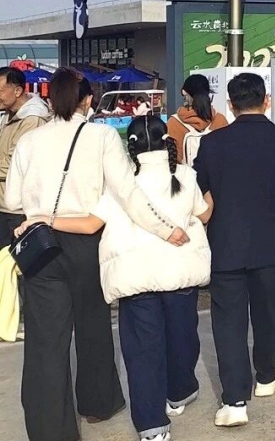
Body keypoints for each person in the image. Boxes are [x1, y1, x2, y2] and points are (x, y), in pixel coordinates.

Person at [6, 68, 192, 441]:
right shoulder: (102, 136)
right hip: (86, 241)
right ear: (88, 100)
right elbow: (128, 195)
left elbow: (11, 199)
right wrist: (165, 229)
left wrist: (39, 210)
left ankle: (48, 430)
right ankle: (98, 403)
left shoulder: (30, 140)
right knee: (93, 328)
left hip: (40, 243)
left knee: (45, 343)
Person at [92, 115, 212, 441]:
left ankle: (152, 426)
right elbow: (204, 213)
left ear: (129, 147)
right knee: (182, 339)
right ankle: (180, 391)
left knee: (143, 352)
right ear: (164, 141)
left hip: (136, 278)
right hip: (180, 275)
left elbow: (93, 222)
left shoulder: (117, 186)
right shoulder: (185, 175)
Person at [193, 72, 275, 427]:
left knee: (228, 323)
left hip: (226, 243)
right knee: (270, 313)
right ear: (266, 100)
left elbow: (201, 188)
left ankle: (235, 400)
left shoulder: (212, 144)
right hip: (269, 241)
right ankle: (267, 375)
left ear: (231, 105)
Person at [0, 67, 51, 249]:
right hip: (4, 203)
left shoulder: (32, 119)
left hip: (18, 208)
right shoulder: (7, 115)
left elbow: (17, 165)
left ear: (18, 90)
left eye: (0, 91)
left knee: (14, 263)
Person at [167, 73, 228, 165]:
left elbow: (172, 156)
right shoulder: (220, 119)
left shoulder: (174, 122)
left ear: (184, 92)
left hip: (186, 177)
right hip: (215, 176)